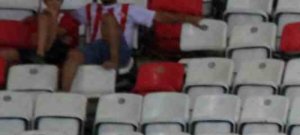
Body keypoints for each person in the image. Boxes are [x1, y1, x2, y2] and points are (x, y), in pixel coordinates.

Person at [60, 0, 205, 91]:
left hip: (120, 50)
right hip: (96, 49)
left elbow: (159, 17)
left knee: (108, 19)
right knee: (74, 55)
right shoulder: (89, 8)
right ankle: (64, 95)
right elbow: (65, 14)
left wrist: (187, 18)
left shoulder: (128, 9)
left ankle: (114, 61)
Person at [0, 0, 79, 68]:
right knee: (5, 54)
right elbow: (29, 35)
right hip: (34, 48)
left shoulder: (67, 18)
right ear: (46, 2)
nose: (54, 2)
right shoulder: (34, 18)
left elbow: (59, 34)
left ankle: (40, 55)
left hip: (56, 50)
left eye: (58, 0)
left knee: (43, 19)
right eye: (51, 0)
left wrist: (53, 16)